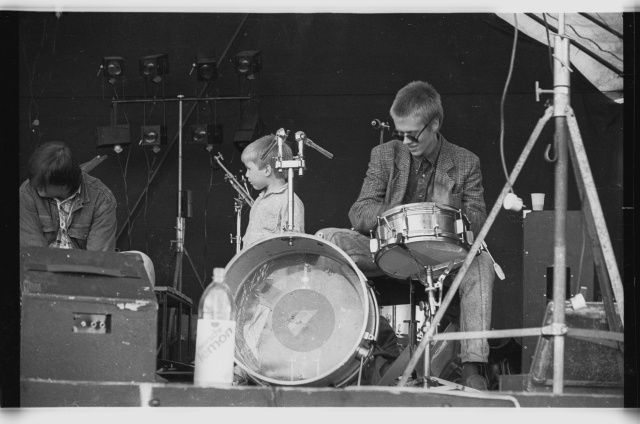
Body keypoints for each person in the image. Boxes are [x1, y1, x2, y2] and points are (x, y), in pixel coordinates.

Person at [316, 81, 495, 390]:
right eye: (401, 134)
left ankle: (473, 369)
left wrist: (452, 210)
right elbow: (359, 211)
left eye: (413, 134)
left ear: (435, 124)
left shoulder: (466, 162)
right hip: (390, 250)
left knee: (482, 266)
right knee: (328, 240)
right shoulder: (385, 155)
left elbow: (478, 219)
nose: (406, 141)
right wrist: (400, 211)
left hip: (442, 258)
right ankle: (359, 347)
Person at [19, 141, 155, 285]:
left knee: (143, 262)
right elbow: (34, 254)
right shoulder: (27, 193)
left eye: (42, 184)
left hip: (86, 273)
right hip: (42, 272)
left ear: (64, 185)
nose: (35, 186)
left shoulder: (102, 198)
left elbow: (99, 258)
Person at [240, 134, 305, 248]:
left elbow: (295, 248)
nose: (246, 174)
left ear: (267, 170)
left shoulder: (290, 202)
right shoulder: (260, 200)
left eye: (249, 169)